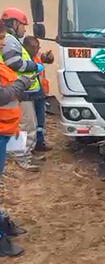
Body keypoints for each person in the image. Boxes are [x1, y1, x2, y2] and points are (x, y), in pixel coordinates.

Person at [1, 7, 45, 172]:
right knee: (26, 126)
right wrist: (35, 66)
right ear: (14, 23)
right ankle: (22, 158)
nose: (25, 29)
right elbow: (15, 63)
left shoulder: (11, 40)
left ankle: (26, 154)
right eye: (23, 25)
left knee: (28, 125)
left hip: (19, 90)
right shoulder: (10, 40)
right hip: (17, 90)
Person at [0, 19, 28, 258]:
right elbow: (2, 95)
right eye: (0, 38)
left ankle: (2, 223)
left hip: (4, 130)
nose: (3, 42)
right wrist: (22, 82)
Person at [23, 36, 52, 152]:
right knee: (30, 123)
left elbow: (48, 59)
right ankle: (28, 148)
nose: (37, 49)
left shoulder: (37, 56)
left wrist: (49, 57)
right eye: (34, 47)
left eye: (38, 47)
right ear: (26, 47)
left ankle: (39, 143)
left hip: (40, 93)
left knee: (40, 121)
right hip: (29, 94)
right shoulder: (23, 57)